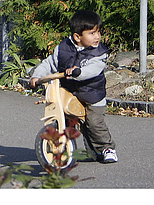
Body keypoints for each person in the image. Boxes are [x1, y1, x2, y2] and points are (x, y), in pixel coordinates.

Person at [29, 9, 118, 164]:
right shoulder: (63, 48)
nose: (97, 37)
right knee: (61, 112)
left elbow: (94, 69)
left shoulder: (99, 52)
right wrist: (37, 76)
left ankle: (107, 148)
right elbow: (50, 63)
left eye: (98, 32)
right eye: (91, 33)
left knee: (94, 123)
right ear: (77, 37)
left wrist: (78, 72)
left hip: (92, 95)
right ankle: (64, 142)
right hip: (70, 92)